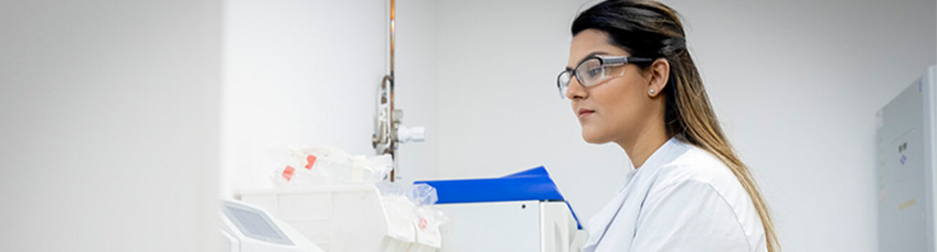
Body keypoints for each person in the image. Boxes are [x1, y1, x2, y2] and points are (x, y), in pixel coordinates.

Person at [557, 1, 780, 251]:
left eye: (594, 69)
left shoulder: (691, 186)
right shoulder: (653, 185)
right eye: (571, 76)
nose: (573, 91)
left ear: (656, 76)